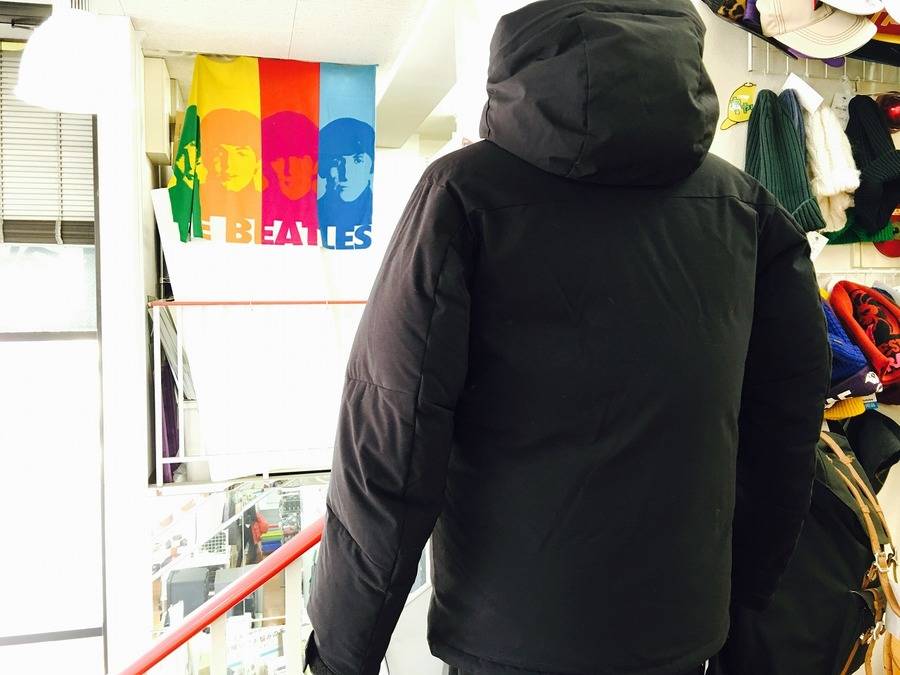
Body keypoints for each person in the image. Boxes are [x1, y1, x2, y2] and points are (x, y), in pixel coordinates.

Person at [304, 1, 830, 674]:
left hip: (510, 637)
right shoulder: (745, 207)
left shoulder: (462, 196)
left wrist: (341, 653)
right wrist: (742, 594)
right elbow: (785, 422)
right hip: (679, 629)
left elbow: (392, 438)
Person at [317, 117, 374, 250]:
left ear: (371, 167)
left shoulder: (385, 214)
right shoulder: (311, 215)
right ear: (323, 169)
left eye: (358, 160)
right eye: (337, 162)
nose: (346, 176)